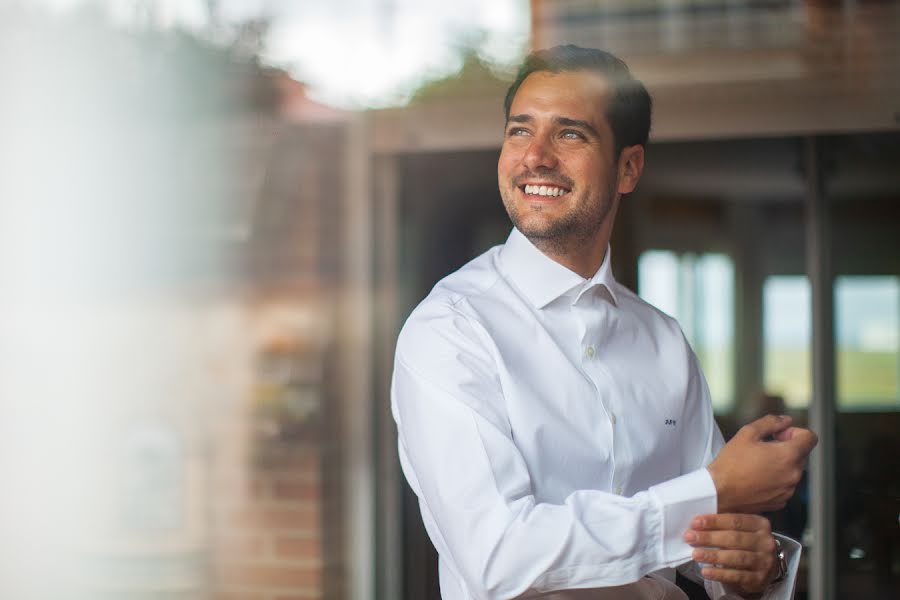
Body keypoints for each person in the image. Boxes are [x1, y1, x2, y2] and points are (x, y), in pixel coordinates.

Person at [391, 45, 818, 600]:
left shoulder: (663, 341)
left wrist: (759, 569)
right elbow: (498, 556)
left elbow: (710, 554)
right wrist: (709, 491)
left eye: (570, 134)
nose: (536, 157)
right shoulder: (451, 329)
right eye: (520, 131)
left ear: (628, 167)